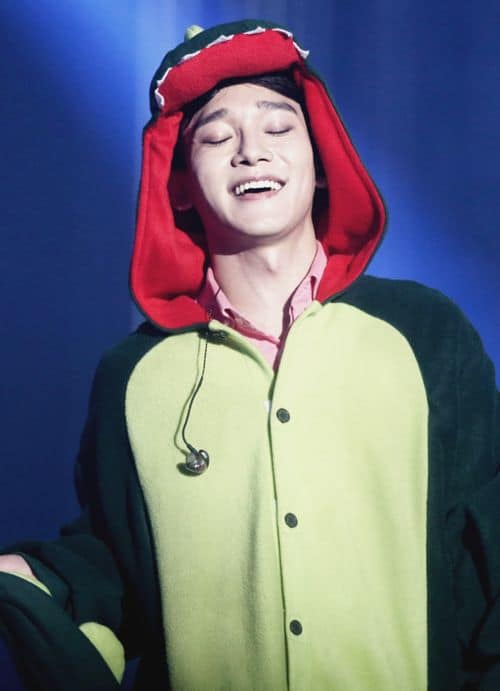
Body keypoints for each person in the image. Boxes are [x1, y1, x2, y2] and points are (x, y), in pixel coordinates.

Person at [0, 18, 499, 691]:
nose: (251, 152)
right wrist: (31, 579)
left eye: (278, 127)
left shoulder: (426, 333)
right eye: (216, 137)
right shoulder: (131, 377)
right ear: (179, 183)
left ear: (320, 161)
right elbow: (115, 569)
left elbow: (488, 544)